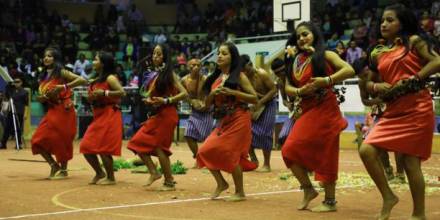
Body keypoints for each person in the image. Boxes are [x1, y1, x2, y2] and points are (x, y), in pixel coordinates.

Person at [359, 4, 440, 220]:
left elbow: (437, 61)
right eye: (383, 20)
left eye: (390, 20)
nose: (384, 24)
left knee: (411, 163)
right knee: (366, 150)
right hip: (393, 110)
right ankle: (388, 196)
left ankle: (419, 214)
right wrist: (377, 87)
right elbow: (368, 83)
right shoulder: (379, 51)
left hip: (417, 108)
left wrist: (415, 78)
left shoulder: (414, 42)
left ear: (402, 23)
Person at [282, 21, 354, 212]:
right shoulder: (295, 60)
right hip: (307, 110)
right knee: (288, 150)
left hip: (326, 108)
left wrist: (326, 80)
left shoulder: (326, 55)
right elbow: (287, 86)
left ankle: (330, 201)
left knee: (327, 152)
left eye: (305, 34)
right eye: (298, 37)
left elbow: (349, 70)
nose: (301, 39)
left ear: (315, 35)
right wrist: (298, 91)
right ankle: (308, 189)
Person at [197, 42, 258, 202]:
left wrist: (233, 92)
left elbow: (254, 98)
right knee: (203, 151)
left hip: (239, 117)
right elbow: (207, 104)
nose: (220, 56)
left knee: (232, 154)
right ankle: (222, 183)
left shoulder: (240, 76)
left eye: (224, 53)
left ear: (232, 57)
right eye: (219, 53)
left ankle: (240, 192)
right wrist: (213, 93)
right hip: (224, 121)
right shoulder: (215, 78)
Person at [127, 44, 188, 191]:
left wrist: (166, 100)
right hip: (157, 114)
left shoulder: (170, 74)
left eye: (159, 54)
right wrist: (151, 102)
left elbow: (184, 93)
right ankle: (154, 172)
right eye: (154, 54)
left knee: (160, 149)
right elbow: (155, 97)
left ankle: (169, 182)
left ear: (165, 57)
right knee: (136, 143)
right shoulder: (153, 74)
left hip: (168, 114)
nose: (155, 57)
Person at [31, 47, 87, 179]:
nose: (46, 58)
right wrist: (43, 98)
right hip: (52, 109)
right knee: (36, 140)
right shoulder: (44, 75)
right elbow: (46, 93)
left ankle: (63, 170)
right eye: (45, 56)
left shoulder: (61, 72)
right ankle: (53, 164)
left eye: (50, 56)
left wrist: (64, 87)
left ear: (55, 59)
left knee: (62, 140)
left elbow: (82, 80)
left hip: (64, 109)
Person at [80, 51, 126, 185]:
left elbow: (122, 93)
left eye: (95, 59)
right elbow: (95, 98)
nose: (93, 62)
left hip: (110, 114)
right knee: (86, 146)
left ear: (103, 63)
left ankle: (111, 178)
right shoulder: (95, 79)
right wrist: (90, 99)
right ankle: (100, 173)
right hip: (98, 115)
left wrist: (104, 93)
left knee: (104, 148)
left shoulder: (110, 78)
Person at [241, 54, 277, 172]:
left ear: (250, 65)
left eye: (246, 69)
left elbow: (273, 90)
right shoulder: (242, 77)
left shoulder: (261, 73)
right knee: (246, 132)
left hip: (269, 104)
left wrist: (261, 101)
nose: (245, 72)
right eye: (242, 71)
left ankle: (267, 164)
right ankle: (253, 159)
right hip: (253, 105)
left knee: (265, 133)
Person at [181, 58, 214, 166]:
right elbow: (183, 96)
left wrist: (206, 104)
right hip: (194, 111)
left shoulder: (206, 79)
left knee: (207, 138)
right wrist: (191, 102)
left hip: (207, 111)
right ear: (188, 67)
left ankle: (208, 160)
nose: (196, 67)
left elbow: (212, 94)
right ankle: (198, 157)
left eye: (198, 65)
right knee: (188, 134)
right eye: (193, 65)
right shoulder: (184, 80)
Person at [270, 58, 294, 147]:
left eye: (282, 70)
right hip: (294, 111)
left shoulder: (294, 75)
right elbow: (284, 100)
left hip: (306, 108)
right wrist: (288, 104)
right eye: (277, 73)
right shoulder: (280, 82)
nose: (281, 74)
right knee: (283, 137)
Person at [1, 76, 28, 149]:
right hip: (11, 111)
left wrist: (25, 114)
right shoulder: (11, 90)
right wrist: (9, 84)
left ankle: (18, 144)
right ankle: (3, 143)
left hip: (20, 112)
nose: (16, 83)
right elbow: (6, 94)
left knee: (18, 128)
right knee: (7, 127)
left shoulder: (24, 92)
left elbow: (26, 104)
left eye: (18, 82)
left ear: (21, 83)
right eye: (15, 82)